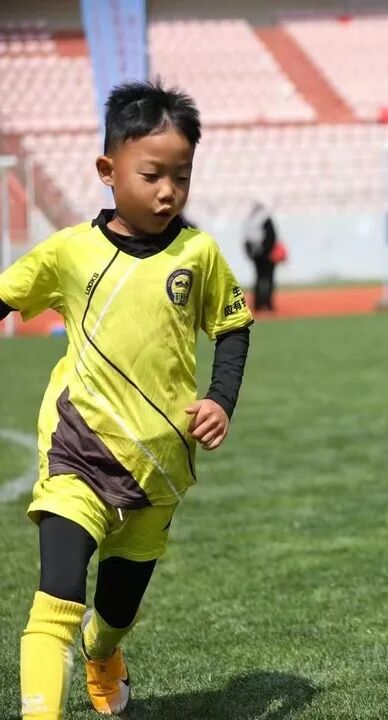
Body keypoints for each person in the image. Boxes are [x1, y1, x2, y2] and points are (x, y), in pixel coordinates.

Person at [1, 81, 253, 719]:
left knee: (115, 609)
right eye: (152, 175)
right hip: (77, 452)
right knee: (56, 598)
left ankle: (103, 651)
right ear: (108, 171)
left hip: (159, 467)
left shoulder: (199, 253)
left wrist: (221, 399)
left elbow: (232, 326)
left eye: (181, 176)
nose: (168, 191)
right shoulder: (69, 251)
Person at [243, 201, 280, 311]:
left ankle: (258, 304)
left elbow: (246, 241)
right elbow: (272, 237)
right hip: (267, 256)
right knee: (269, 279)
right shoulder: (266, 219)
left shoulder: (250, 221)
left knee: (258, 279)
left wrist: (251, 254)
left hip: (256, 256)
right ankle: (267, 304)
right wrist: (267, 251)